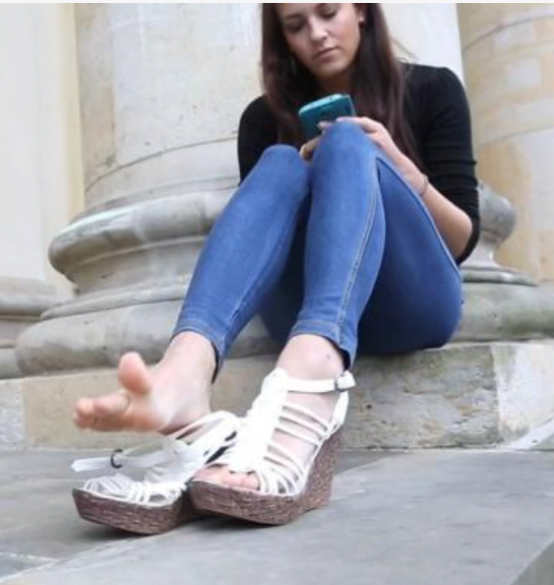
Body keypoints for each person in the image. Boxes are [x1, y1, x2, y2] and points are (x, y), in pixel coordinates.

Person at [72, 3, 479, 527]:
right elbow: (262, 250)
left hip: (414, 299)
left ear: (361, 12)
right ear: (281, 39)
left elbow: (463, 239)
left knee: (349, 141)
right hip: (307, 300)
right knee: (282, 162)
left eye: (328, 12)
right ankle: (184, 373)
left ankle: (315, 370)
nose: (316, 34)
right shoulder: (263, 119)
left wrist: (393, 163)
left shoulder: (432, 89)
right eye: (295, 25)